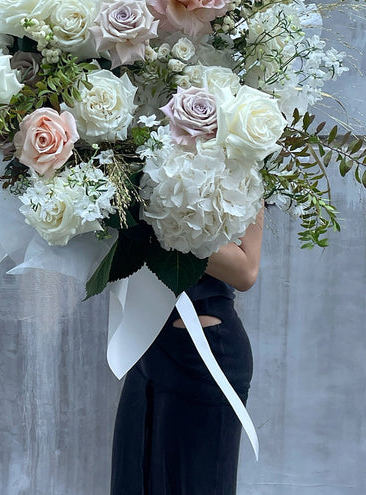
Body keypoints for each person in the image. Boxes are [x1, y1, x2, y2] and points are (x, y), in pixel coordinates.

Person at [110, 208, 264, 495]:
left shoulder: (246, 165)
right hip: (146, 343)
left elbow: (246, 270)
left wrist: (149, 216)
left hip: (203, 355)